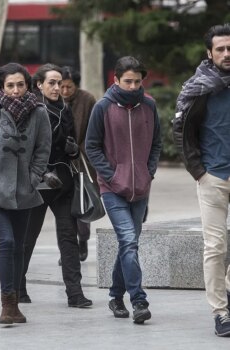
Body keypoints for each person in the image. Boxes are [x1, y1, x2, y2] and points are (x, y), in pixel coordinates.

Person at [0, 62, 52, 324]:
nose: (15, 90)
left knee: (20, 247)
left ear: (28, 85)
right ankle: (6, 304)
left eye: (20, 85)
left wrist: (33, 177)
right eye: (10, 85)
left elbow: (43, 150)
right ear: (1, 87)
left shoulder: (39, 112)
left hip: (25, 191)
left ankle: (15, 304)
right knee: (7, 242)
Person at [86, 56, 161, 324]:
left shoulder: (149, 105)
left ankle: (115, 296)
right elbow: (91, 146)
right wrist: (111, 175)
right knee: (128, 241)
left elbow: (156, 144)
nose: (132, 86)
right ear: (115, 80)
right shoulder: (103, 107)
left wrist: (149, 171)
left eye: (137, 81)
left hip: (141, 188)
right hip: (112, 189)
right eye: (127, 81)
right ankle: (139, 301)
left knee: (127, 245)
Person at [19, 63, 93, 308]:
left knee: (68, 238)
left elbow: (69, 144)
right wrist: (40, 173)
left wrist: (72, 149)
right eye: (51, 83)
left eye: (59, 83)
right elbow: (25, 149)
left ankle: (75, 293)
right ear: (38, 85)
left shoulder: (65, 109)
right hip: (37, 183)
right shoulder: (30, 109)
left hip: (62, 182)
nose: (56, 87)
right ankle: (18, 287)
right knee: (28, 237)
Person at [173, 24, 230, 337]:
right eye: (220, 49)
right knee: (215, 247)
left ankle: (228, 289)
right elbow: (180, 130)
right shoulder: (199, 87)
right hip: (213, 177)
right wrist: (199, 171)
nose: (226, 54)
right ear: (210, 53)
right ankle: (220, 312)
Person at [60, 66, 96, 262]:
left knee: (82, 203)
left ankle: (83, 239)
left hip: (83, 159)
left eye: (69, 87)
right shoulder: (54, 99)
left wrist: (81, 150)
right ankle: (67, 248)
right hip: (61, 159)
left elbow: (94, 129)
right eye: (62, 86)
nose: (65, 91)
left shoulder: (87, 99)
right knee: (63, 208)